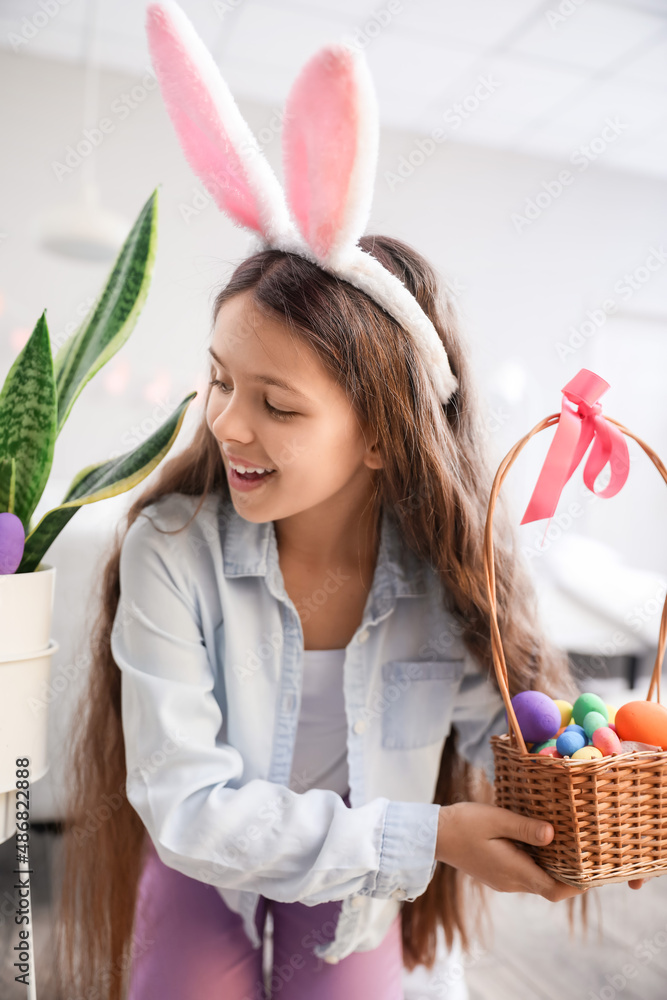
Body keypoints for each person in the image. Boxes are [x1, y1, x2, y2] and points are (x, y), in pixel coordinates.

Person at [53, 5, 650, 1000]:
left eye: (276, 403)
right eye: (221, 381)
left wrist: (581, 799)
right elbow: (191, 810)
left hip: (364, 883)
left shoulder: (441, 576)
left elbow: (499, 737)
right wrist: (430, 835)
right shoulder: (168, 549)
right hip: (216, 869)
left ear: (379, 436)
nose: (227, 424)